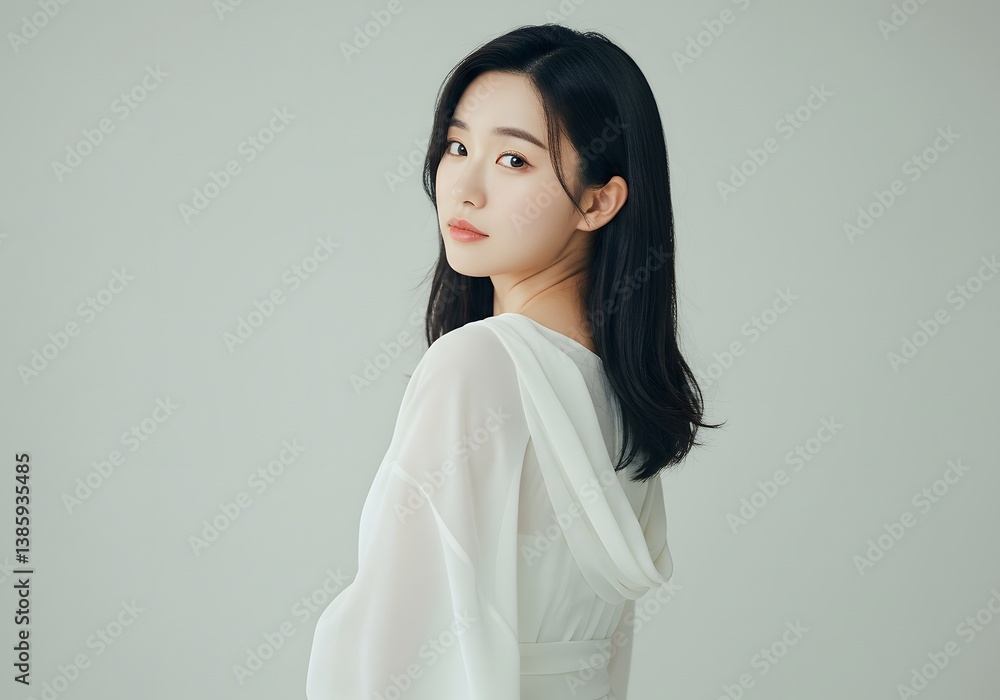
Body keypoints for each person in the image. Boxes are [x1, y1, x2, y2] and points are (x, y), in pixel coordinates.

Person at [306, 23, 723, 700]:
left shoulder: (476, 364)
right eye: (458, 146)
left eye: (513, 162)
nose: (464, 188)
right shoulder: (624, 395)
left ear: (598, 200)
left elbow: (395, 654)